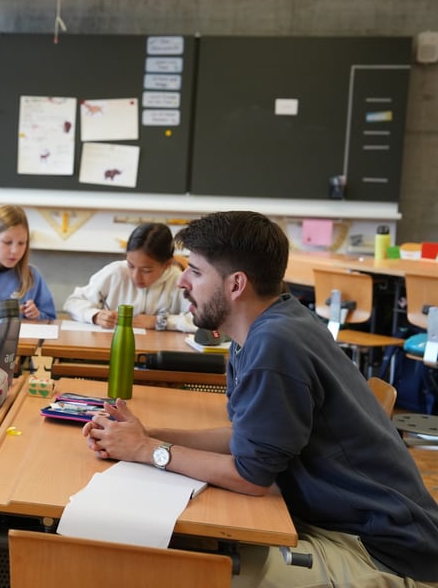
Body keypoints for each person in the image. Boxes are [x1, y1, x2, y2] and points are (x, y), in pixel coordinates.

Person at [82, 211, 438, 587]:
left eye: (197, 272)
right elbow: (245, 439)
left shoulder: (275, 343)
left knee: (189, 572)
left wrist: (148, 450)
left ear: (236, 284)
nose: (182, 282)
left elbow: (250, 476)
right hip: (344, 526)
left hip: (381, 553)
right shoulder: (263, 328)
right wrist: (146, 435)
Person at [63, 222, 195, 332]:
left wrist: (160, 321)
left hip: (157, 353)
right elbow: (72, 302)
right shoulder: (115, 272)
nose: (136, 276)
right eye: (131, 265)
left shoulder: (179, 281)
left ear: (167, 264)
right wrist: (95, 315)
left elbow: (202, 321)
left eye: (146, 270)